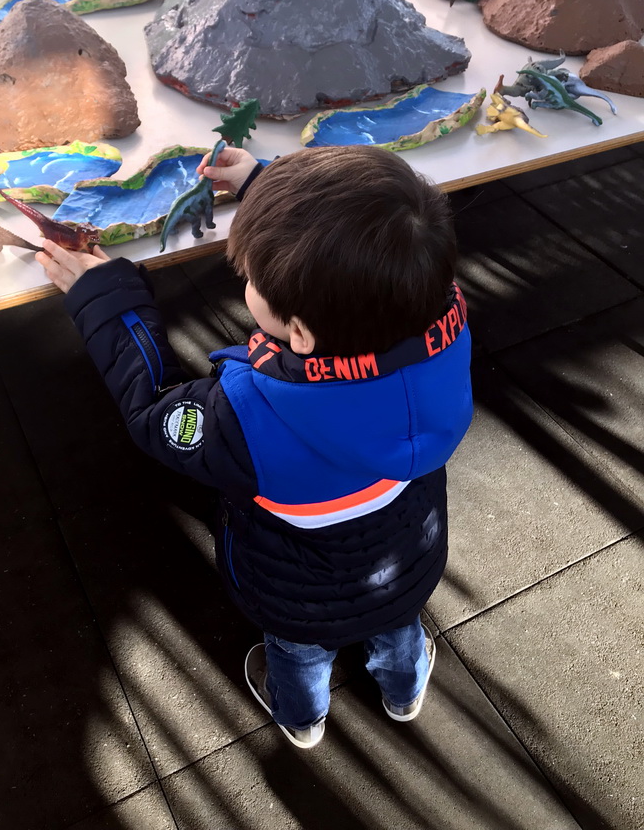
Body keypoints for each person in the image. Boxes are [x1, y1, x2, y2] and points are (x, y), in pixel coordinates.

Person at [37, 144, 473, 750]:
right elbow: (370, 250)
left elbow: (155, 409)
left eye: (253, 278)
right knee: (398, 626)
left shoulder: (245, 422)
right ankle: (404, 691)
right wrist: (264, 188)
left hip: (293, 593)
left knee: (297, 653)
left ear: (298, 332)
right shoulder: (437, 319)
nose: (247, 280)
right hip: (408, 563)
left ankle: (301, 718)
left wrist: (109, 300)